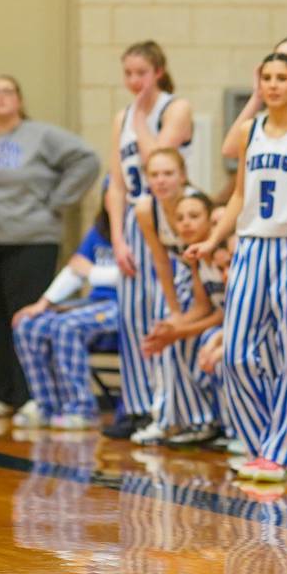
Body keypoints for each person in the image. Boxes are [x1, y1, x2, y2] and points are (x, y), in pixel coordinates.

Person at [186, 53, 287, 482]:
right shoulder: (250, 131)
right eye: (266, 77)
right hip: (250, 246)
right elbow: (238, 197)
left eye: (281, 78)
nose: (272, 85)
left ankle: (280, 452)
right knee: (235, 353)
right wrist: (212, 240)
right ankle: (263, 441)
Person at [0, 74, 99, 418]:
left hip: (31, 239)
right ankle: (4, 393)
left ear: (19, 99)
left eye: (8, 92)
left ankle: (31, 395)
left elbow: (86, 159)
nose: (1, 98)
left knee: (26, 316)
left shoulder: (41, 135)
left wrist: (58, 200)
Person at [104, 41, 193, 440]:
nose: (134, 81)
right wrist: (118, 239)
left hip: (167, 220)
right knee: (131, 316)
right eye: (128, 73)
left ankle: (166, 406)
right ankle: (137, 406)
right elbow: (117, 185)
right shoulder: (120, 116)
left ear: (158, 72)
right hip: (133, 224)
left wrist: (140, 121)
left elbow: (158, 161)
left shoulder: (175, 108)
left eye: (141, 73)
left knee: (162, 312)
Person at [10, 203, 117, 430]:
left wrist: (92, 272)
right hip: (94, 303)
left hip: (124, 305)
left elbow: (130, 276)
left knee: (65, 325)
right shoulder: (100, 230)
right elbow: (74, 269)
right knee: (28, 324)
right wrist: (43, 303)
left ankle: (80, 408)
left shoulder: (140, 229)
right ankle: (46, 405)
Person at [129, 148, 210, 445]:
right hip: (180, 275)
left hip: (206, 274)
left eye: (168, 173)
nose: (161, 181)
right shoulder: (144, 209)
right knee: (162, 334)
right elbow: (161, 260)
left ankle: (193, 418)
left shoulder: (194, 204)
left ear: (182, 175)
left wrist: (182, 320)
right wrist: (174, 310)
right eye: (154, 174)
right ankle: (167, 418)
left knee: (178, 340)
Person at [141, 190, 226, 446]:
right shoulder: (196, 258)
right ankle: (193, 420)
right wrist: (171, 327)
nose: (186, 223)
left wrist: (179, 332)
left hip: (237, 325)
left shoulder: (225, 252)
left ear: (210, 219)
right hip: (220, 322)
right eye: (180, 218)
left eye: (194, 216)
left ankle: (221, 424)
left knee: (195, 342)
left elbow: (224, 314)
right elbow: (202, 307)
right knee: (173, 341)